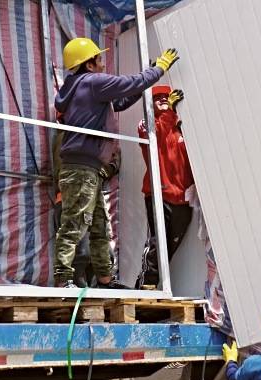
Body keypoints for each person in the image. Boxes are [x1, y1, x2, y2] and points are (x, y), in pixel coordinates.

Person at [52, 37, 179, 288]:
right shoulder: (92, 82)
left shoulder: (80, 88)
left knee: (99, 226)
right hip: (82, 170)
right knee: (75, 224)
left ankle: (105, 279)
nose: (102, 65)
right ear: (88, 65)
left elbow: (120, 100)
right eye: (98, 60)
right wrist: (158, 69)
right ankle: (62, 279)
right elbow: (128, 84)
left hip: (88, 169)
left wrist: (147, 79)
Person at [135, 85, 195, 289]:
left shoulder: (182, 128)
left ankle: (151, 287)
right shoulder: (146, 125)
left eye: (165, 97)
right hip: (157, 193)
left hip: (183, 198)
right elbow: (155, 137)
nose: (162, 100)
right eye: (157, 97)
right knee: (156, 243)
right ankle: (145, 287)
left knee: (168, 247)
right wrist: (169, 111)